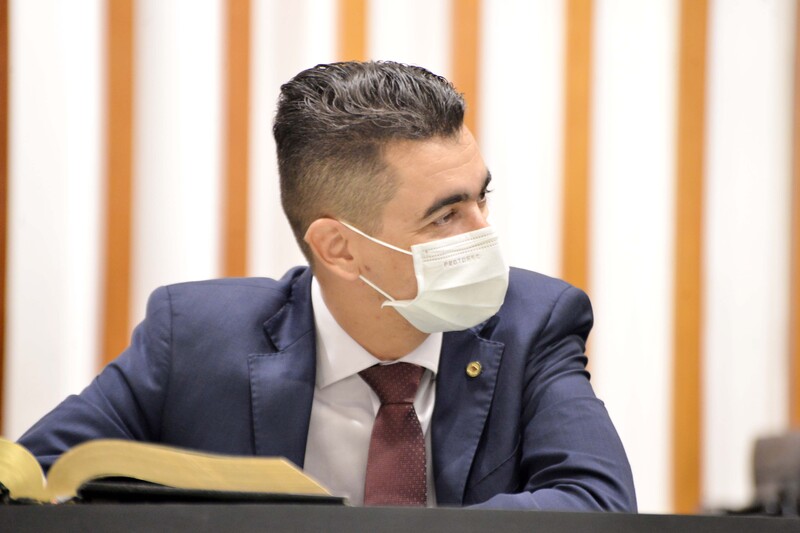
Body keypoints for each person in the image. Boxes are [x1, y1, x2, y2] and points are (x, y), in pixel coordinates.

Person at [18, 61, 636, 511]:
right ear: (338, 248)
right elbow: (28, 481)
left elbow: (596, 503)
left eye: (482, 198)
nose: (484, 234)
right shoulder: (193, 336)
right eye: (446, 216)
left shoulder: (534, 322)